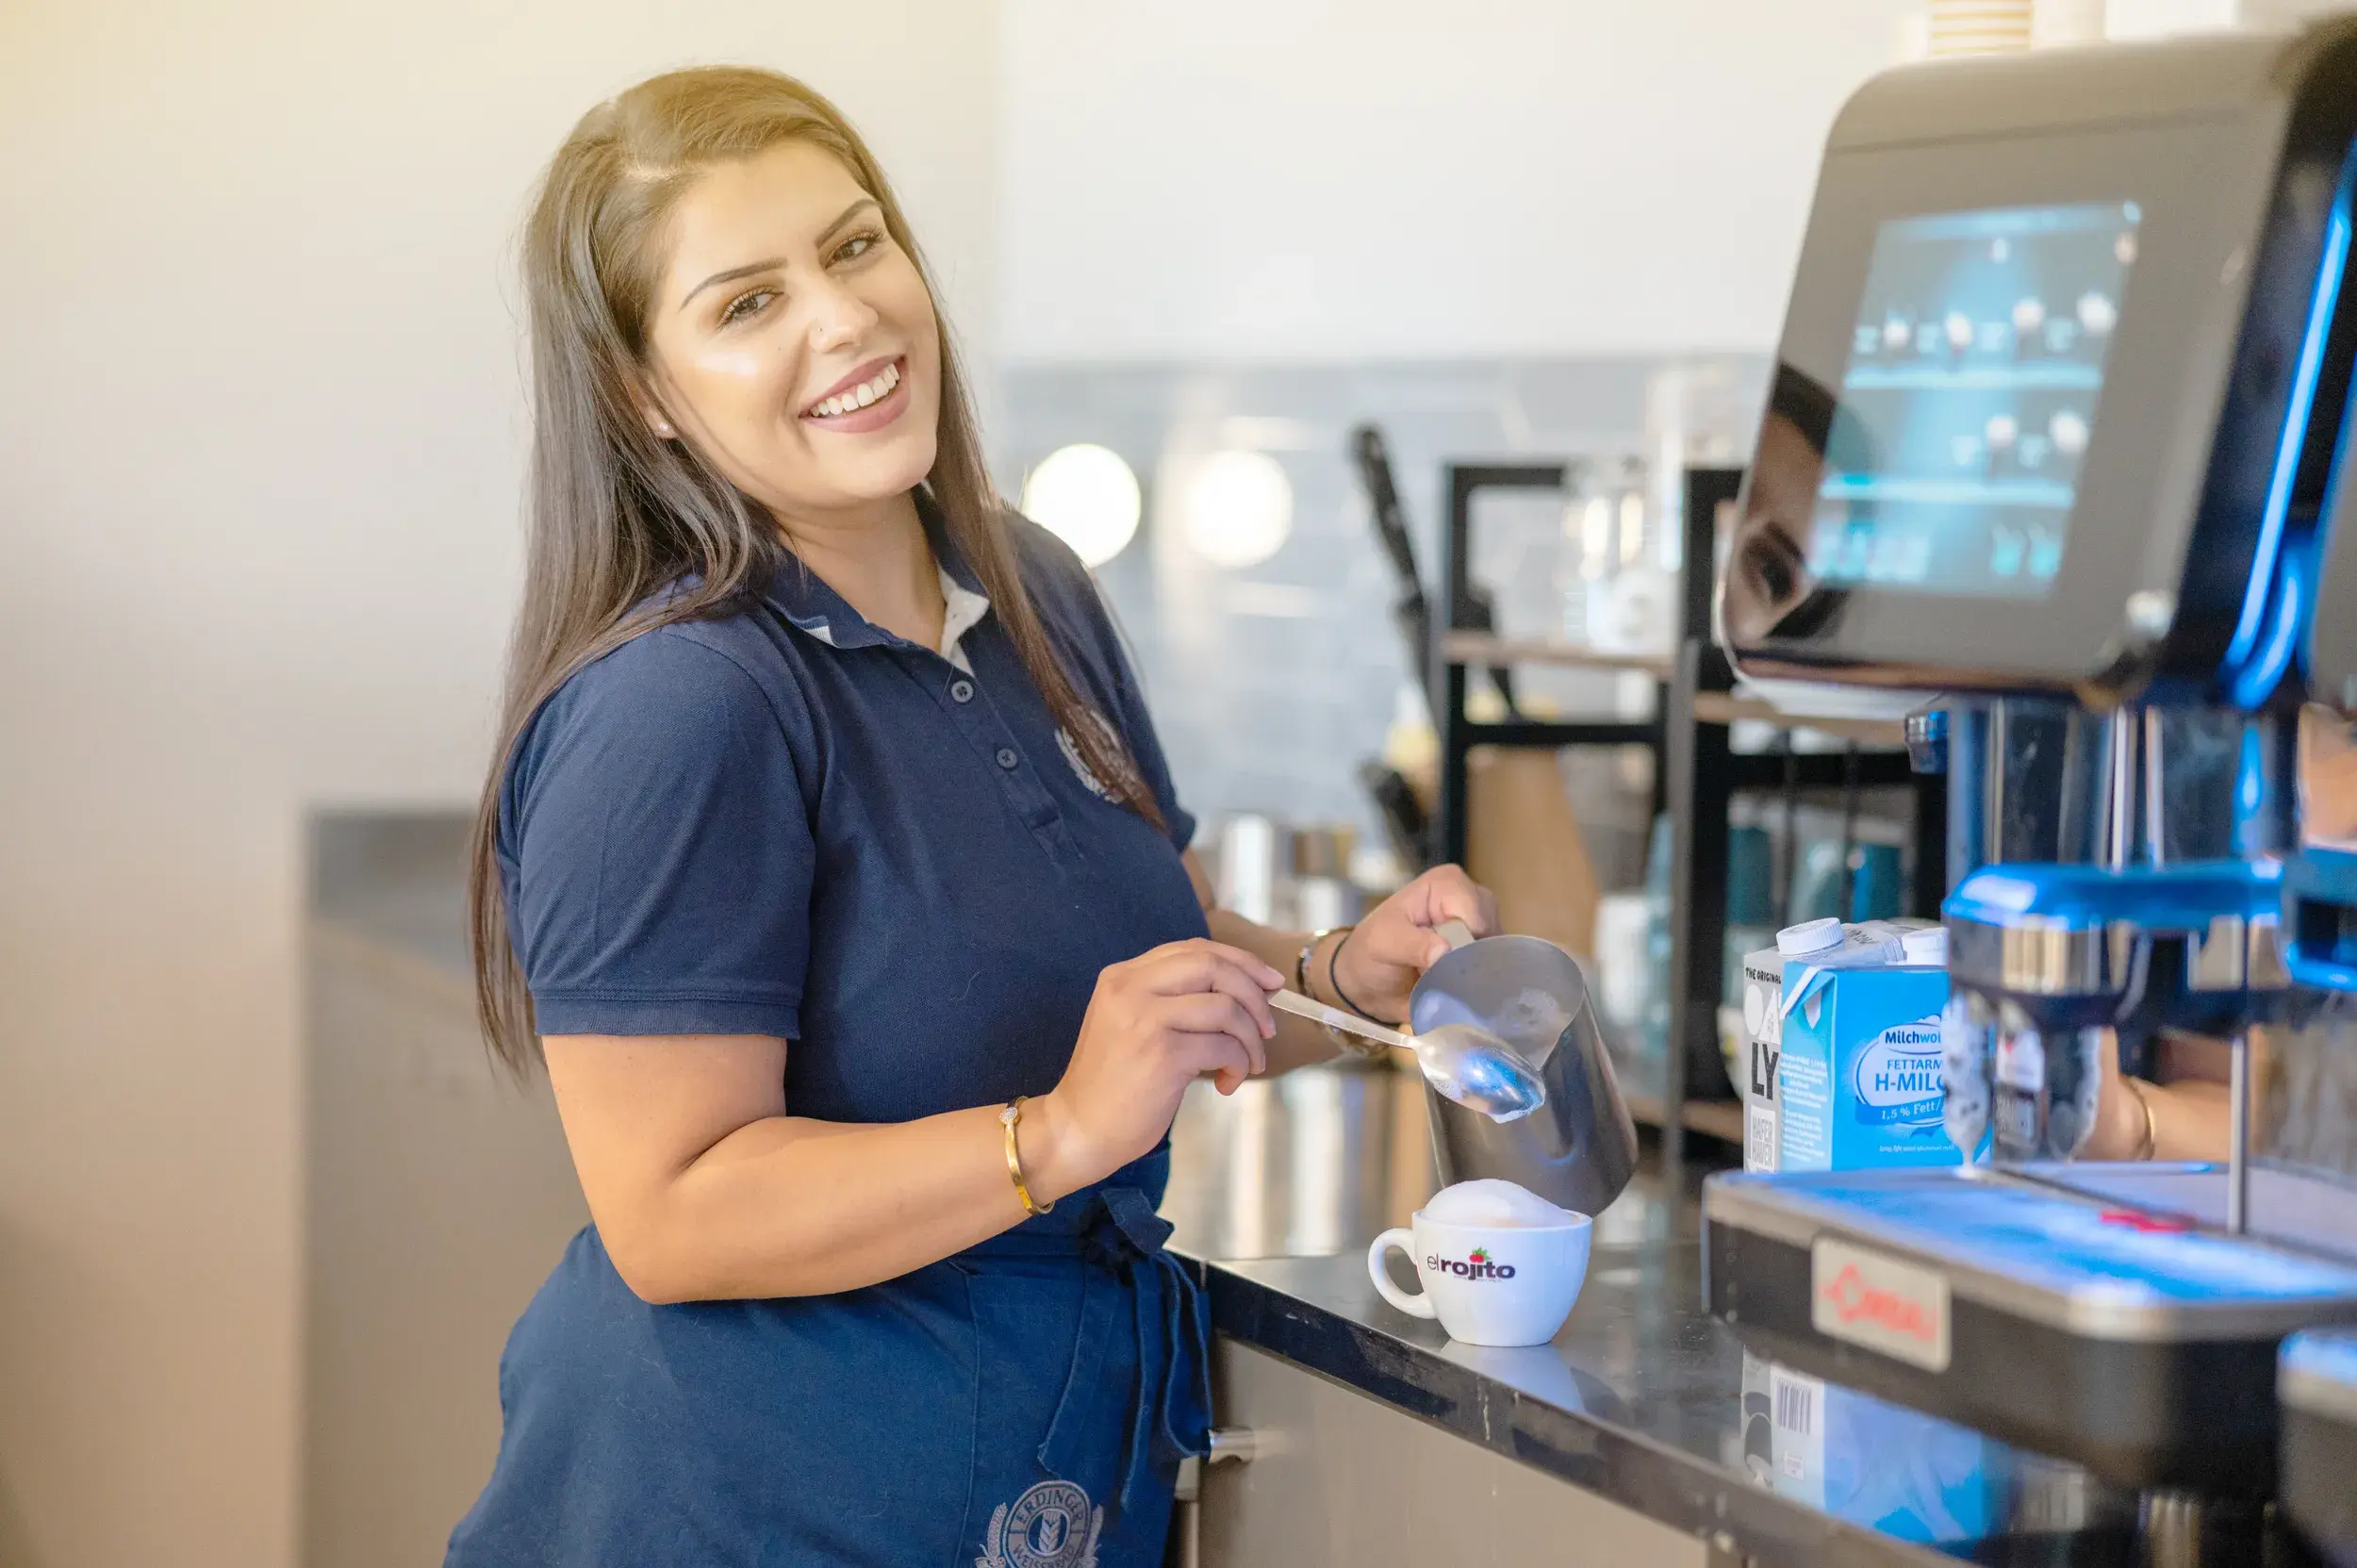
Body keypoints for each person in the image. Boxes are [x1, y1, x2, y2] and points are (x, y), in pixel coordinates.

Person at [444, 66, 1496, 1567]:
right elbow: (669, 1212)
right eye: (747, 304)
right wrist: (1057, 1132)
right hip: (728, 1511)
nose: (845, 319)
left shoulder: (1031, 588)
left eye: (857, 246)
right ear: (641, 396)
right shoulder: (680, 705)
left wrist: (1345, 978)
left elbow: (1153, 940)